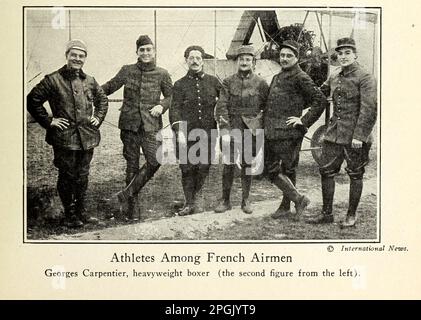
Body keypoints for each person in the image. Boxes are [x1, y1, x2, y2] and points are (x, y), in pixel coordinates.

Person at [27, 39, 109, 228]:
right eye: (74, 55)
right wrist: (49, 121)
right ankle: (69, 214)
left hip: (87, 137)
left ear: (85, 59)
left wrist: (98, 117)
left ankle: (81, 210)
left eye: (81, 56)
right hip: (64, 138)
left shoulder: (90, 80)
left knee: (83, 175)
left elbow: (102, 100)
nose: (77, 59)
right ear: (67, 56)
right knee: (67, 175)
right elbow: (33, 100)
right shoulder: (53, 79)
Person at [102, 35, 173, 221]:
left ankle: (125, 195)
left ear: (154, 51)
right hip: (129, 126)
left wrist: (162, 106)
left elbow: (171, 97)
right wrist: (89, 90)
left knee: (155, 160)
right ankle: (133, 207)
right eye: (142, 50)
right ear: (137, 52)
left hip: (151, 126)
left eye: (149, 49)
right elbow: (110, 86)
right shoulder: (127, 70)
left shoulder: (162, 73)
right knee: (131, 165)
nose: (146, 53)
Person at [310, 37, 377, 227]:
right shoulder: (334, 76)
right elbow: (318, 95)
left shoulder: (365, 77)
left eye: (347, 53)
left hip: (354, 136)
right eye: (340, 53)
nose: (343, 57)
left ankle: (351, 215)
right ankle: (326, 214)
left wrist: (359, 136)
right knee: (326, 171)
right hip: (333, 134)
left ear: (355, 55)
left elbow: (369, 109)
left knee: (355, 173)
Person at [264, 40, 327, 221]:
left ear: (297, 58)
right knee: (272, 169)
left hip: (289, 132)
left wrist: (303, 120)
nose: (284, 58)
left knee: (288, 169)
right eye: (282, 55)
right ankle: (297, 200)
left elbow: (319, 100)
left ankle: (288, 205)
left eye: (289, 56)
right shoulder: (278, 76)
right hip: (273, 131)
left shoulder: (301, 77)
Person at [214, 45, 269, 214]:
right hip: (232, 127)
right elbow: (221, 106)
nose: (244, 62)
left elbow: (267, 107)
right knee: (229, 164)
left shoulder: (261, 83)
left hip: (251, 129)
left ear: (253, 62)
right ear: (237, 61)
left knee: (247, 164)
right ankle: (225, 200)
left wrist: (259, 125)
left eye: (248, 60)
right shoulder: (228, 82)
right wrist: (225, 130)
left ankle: (246, 200)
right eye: (241, 59)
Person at [169, 45, 222, 216]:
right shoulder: (179, 84)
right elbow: (174, 109)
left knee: (204, 166)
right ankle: (189, 202)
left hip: (208, 133)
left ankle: (195, 198)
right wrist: (179, 131)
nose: (195, 61)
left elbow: (226, 101)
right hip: (187, 134)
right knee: (187, 168)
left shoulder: (213, 81)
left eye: (198, 58)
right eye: (191, 58)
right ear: (186, 61)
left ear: (203, 61)